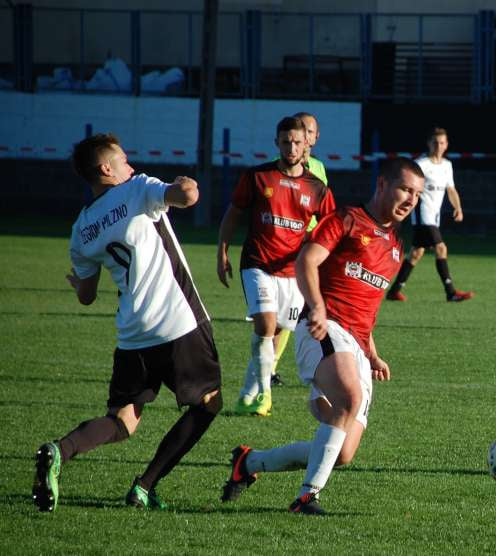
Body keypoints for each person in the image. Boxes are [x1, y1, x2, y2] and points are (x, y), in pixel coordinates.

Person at [220, 157, 424, 515]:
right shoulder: (347, 219)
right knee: (349, 396)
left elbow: (367, 309)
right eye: (405, 189)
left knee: (342, 453)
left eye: (418, 195)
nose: (411, 200)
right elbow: (306, 261)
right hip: (324, 328)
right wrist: (316, 306)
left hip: (356, 346)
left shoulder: (394, 246)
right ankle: (306, 497)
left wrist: (373, 354)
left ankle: (249, 464)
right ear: (381, 185)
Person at [32, 133, 222, 512]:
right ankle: (145, 487)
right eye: (123, 160)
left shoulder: (82, 227)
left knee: (121, 422)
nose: (130, 165)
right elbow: (187, 197)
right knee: (209, 404)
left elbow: (86, 295)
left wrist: (77, 284)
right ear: (106, 168)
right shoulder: (137, 189)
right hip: (177, 320)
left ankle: (61, 449)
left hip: (133, 334)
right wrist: (186, 184)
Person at [217, 116, 335, 417]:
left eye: (297, 142)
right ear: (277, 143)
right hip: (257, 263)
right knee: (266, 324)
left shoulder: (317, 187)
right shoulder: (258, 177)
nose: (292, 147)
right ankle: (265, 395)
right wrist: (222, 251)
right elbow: (233, 213)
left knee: (278, 330)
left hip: (292, 272)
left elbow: (330, 230)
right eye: (286, 142)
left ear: (306, 143)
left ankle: (247, 394)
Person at [267, 111, 330, 388]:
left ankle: (321, 365)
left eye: (311, 131)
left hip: (313, 246)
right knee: (283, 315)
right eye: (302, 129)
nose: (306, 134)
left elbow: (325, 211)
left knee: (304, 311)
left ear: (313, 139)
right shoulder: (276, 171)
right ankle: (268, 367)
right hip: (287, 245)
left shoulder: (318, 169)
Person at [386, 127, 474, 302]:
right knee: (441, 248)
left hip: (434, 215)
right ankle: (451, 292)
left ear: (447, 145)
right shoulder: (421, 164)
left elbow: (451, 189)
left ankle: (394, 291)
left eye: (442, 143)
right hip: (422, 214)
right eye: (435, 142)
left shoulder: (447, 166)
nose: (438, 146)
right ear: (429, 144)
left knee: (417, 252)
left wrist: (458, 208)